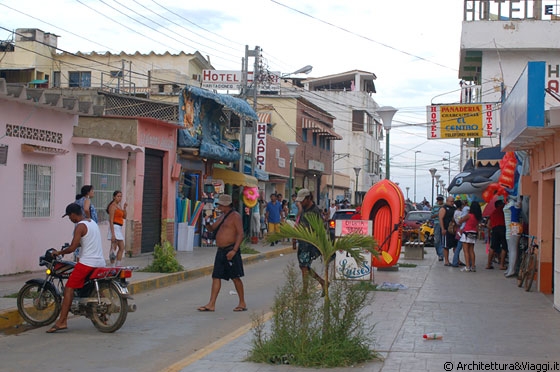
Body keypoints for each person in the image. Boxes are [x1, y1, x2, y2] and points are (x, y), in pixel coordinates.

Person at [46, 203, 106, 333]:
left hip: (87, 263)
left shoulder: (79, 226)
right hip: (100, 262)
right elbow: (83, 242)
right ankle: (104, 317)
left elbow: (73, 247)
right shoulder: (93, 223)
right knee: (95, 289)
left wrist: (59, 253)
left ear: (73, 214)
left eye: (69, 217)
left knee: (69, 288)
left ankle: (62, 321)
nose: (70, 219)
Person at [198, 194, 247, 312]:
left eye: (220, 204)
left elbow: (240, 234)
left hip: (231, 250)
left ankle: (242, 302)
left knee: (235, 277)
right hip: (221, 251)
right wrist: (207, 222)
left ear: (226, 205)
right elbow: (212, 229)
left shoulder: (235, 216)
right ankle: (211, 303)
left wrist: (234, 250)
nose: (218, 206)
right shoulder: (222, 216)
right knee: (216, 276)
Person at [294, 189, 326, 295]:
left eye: (302, 200)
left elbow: (318, 228)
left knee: (304, 266)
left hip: (310, 243)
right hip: (303, 242)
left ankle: (305, 292)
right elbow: (299, 219)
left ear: (308, 198)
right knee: (304, 266)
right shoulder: (303, 209)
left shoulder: (314, 211)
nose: (301, 203)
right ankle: (322, 282)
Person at [458, 201, 482, 272]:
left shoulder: (469, 215)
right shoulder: (477, 217)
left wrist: (460, 218)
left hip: (466, 233)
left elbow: (460, 221)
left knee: (466, 251)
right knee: (471, 250)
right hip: (473, 233)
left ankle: (467, 266)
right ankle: (473, 266)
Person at [106, 190, 127, 267]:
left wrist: (124, 208)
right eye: (118, 196)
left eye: (120, 196)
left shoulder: (119, 206)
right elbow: (111, 220)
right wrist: (113, 234)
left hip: (119, 227)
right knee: (114, 247)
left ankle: (117, 264)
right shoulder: (112, 206)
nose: (119, 198)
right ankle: (112, 265)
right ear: (114, 197)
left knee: (121, 247)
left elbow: (124, 217)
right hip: (114, 227)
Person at [487, 198, 508, 270]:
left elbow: (488, 225)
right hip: (503, 228)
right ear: (500, 204)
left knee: (493, 247)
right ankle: (502, 265)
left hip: (495, 229)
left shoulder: (493, 213)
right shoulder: (503, 209)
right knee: (504, 247)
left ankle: (488, 264)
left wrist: (490, 231)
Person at [504, 197, 522, 277]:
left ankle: (512, 269)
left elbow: (518, 205)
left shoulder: (515, 203)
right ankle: (510, 268)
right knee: (510, 249)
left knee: (513, 249)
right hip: (509, 227)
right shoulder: (510, 202)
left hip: (514, 226)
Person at [439, 196, 456, 266]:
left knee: (455, 245)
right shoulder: (444, 208)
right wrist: (443, 228)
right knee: (446, 246)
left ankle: (456, 259)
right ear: (447, 201)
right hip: (446, 229)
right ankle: (446, 260)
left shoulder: (454, 208)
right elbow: (441, 218)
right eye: (451, 201)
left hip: (453, 230)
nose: (452, 203)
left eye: (453, 201)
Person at [451, 199, 468, 267]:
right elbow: (459, 221)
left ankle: (456, 261)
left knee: (459, 247)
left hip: (459, 230)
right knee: (459, 247)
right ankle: (455, 261)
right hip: (461, 230)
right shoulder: (459, 213)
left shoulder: (456, 212)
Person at [431, 195, 445, 261]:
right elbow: (431, 216)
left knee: (443, 240)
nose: (440, 201)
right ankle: (439, 253)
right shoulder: (434, 207)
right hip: (436, 223)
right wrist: (437, 214)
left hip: (444, 224)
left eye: (441, 200)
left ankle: (441, 254)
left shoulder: (445, 206)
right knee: (437, 240)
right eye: (439, 200)